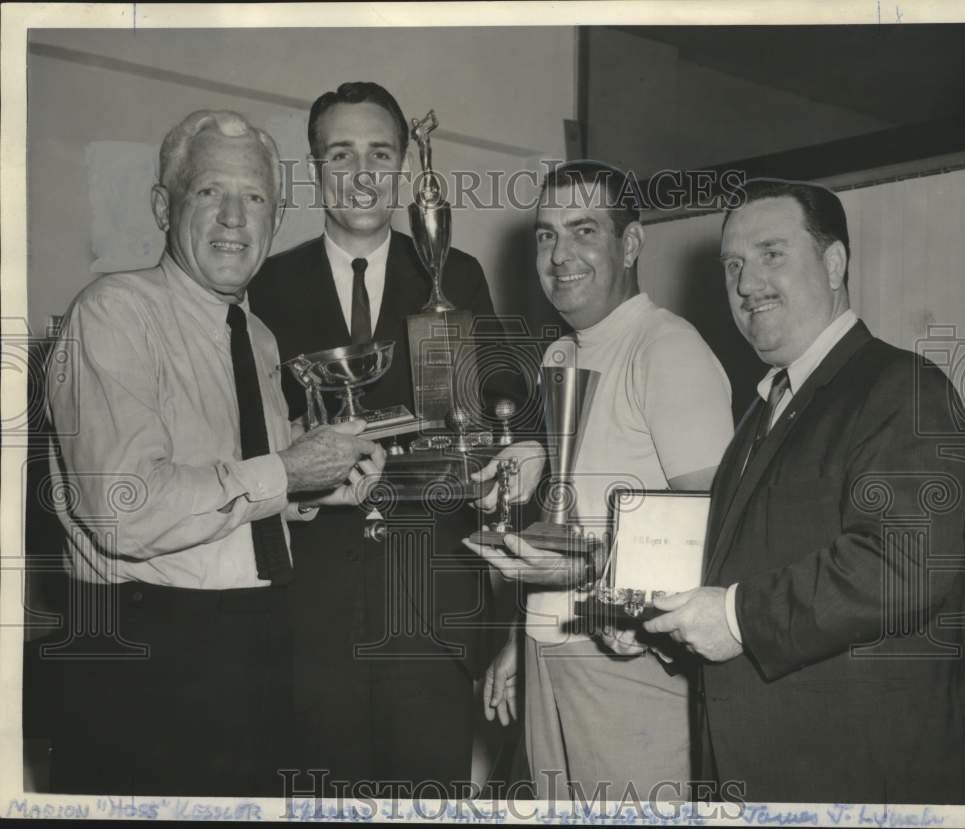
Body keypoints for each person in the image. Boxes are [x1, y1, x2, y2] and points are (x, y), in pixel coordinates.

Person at [44, 110, 385, 797]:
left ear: (275, 216)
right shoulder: (113, 312)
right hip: (144, 655)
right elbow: (126, 511)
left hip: (253, 643)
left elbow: (224, 499)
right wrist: (287, 471)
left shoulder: (255, 335)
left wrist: (310, 493)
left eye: (255, 197)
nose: (235, 218)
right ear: (162, 206)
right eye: (209, 192)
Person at [642, 178, 965, 803]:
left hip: (859, 783)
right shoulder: (763, 408)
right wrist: (670, 630)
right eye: (733, 266)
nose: (746, 285)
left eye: (771, 254)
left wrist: (735, 617)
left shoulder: (903, 386)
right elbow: (750, 568)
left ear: (834, 263)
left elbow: (903, 566)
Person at [249, 82, 518, 794]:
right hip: (314, 613)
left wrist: (501, 442)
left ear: (402, 165)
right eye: (341, 154)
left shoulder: (454, 273)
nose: (362, 174)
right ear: (314, 168)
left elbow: (497, 410)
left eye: (379, 153)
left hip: (432, 605)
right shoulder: (266, 285)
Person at [465, 161, 734, 802]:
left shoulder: (666, 347)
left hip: (631, 659)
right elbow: (565, 523)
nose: (560, 256)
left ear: (631, 243)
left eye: (584, 231)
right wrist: (519, 637)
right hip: (550, 653)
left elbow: (719, 526)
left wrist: (590, 577)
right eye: (545, 235)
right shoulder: (562, 352)